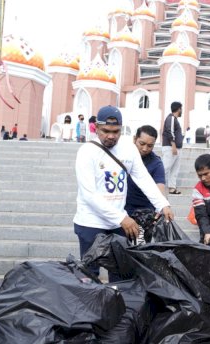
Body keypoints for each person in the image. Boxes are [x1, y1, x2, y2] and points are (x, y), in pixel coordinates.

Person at [73, 106, 173, 282]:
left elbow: (143, 178)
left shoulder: (128, 149)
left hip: (118, 225)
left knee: (121, 274)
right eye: (106, 131)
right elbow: (90, 195)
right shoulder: (86, 152)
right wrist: (121, 217)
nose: (111, 136)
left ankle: (119, 307)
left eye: (116, 131)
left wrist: (162, 204)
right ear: (96, 128)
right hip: (91, 222)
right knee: (89, 276)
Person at [125, 125, 166, 244]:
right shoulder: (124, 155)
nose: (144, 148)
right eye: (141, 143)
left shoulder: (156, 163)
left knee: (138, 249)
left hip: (144, 214)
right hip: (122, 210)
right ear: (134, 139)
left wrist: (161, 205)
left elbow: (160, 187)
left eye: (150, 146)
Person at [162, 102, 183, 195]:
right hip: (171, 147)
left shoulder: (174, 119)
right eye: (181, 109)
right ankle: (159, 186)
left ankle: (172, 188)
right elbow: (169, 131)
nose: (181, 111)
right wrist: (173, 145)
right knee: (165, 167)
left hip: (176, 147)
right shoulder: (171, 118)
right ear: (178, 109)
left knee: (175, 169)